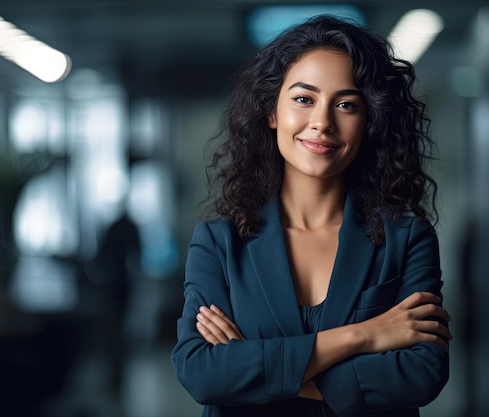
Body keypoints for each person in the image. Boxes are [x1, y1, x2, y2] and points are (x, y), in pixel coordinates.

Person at [171, 15, 452, 417]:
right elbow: (201, 373)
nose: (322, 122)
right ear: (272, 112)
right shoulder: (218, 242)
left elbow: (422, 372)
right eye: (304, 99)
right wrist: (366, 335)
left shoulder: (407, 238)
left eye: (346, 105)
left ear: (369, 121)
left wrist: (256, 370)